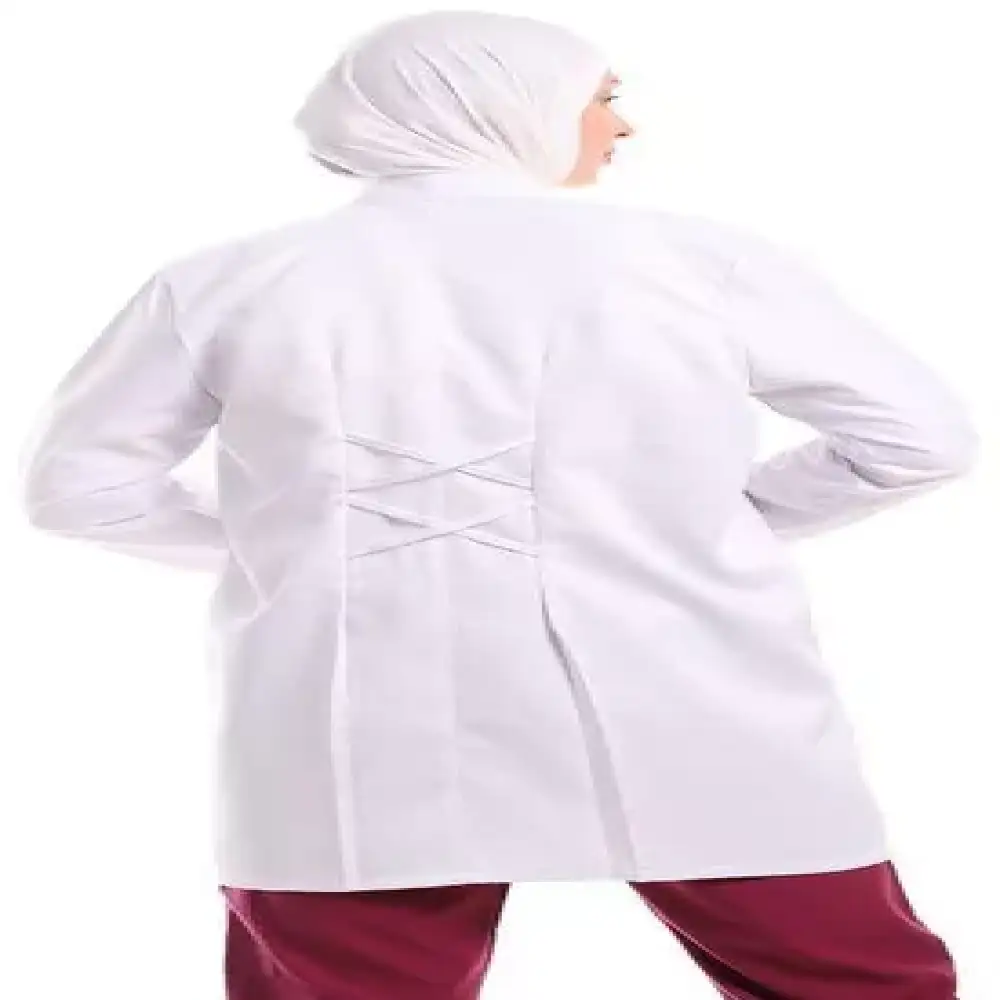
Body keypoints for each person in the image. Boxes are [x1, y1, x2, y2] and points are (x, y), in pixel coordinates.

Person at [17, 10, 975, 999]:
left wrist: (294, 546)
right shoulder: (699, 263)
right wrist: (718, 528)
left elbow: (81, 489)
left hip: (354, 715)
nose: (620, 126)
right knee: (853, 982)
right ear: (505, 104)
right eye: (601, 99)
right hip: (687, 686)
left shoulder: (224, 283)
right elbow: (919, 439)